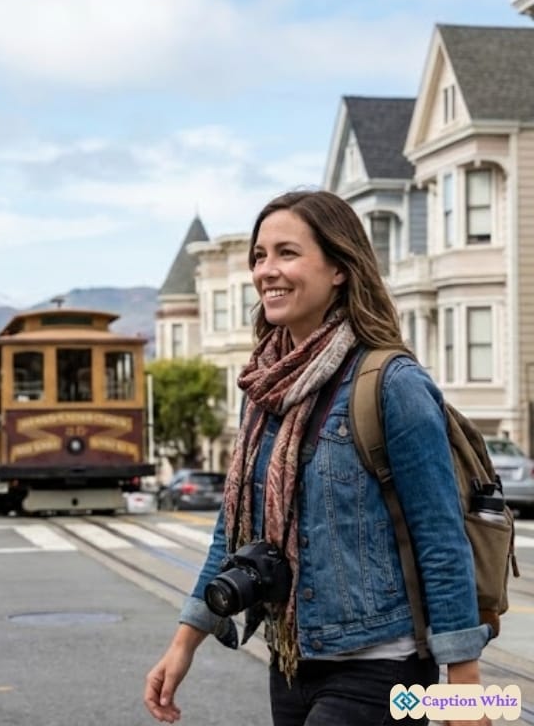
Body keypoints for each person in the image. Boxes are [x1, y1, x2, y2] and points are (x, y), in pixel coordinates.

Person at [143, 190, 492, 726]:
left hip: (383, 667)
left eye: (287, 252)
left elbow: (440, 538)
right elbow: (232, 532)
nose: (266, 271)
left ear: (338, 268)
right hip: (291, 662)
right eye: (259, 256)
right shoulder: (263, 389)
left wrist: (464, 691)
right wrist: (184, 642)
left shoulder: (392, 384)